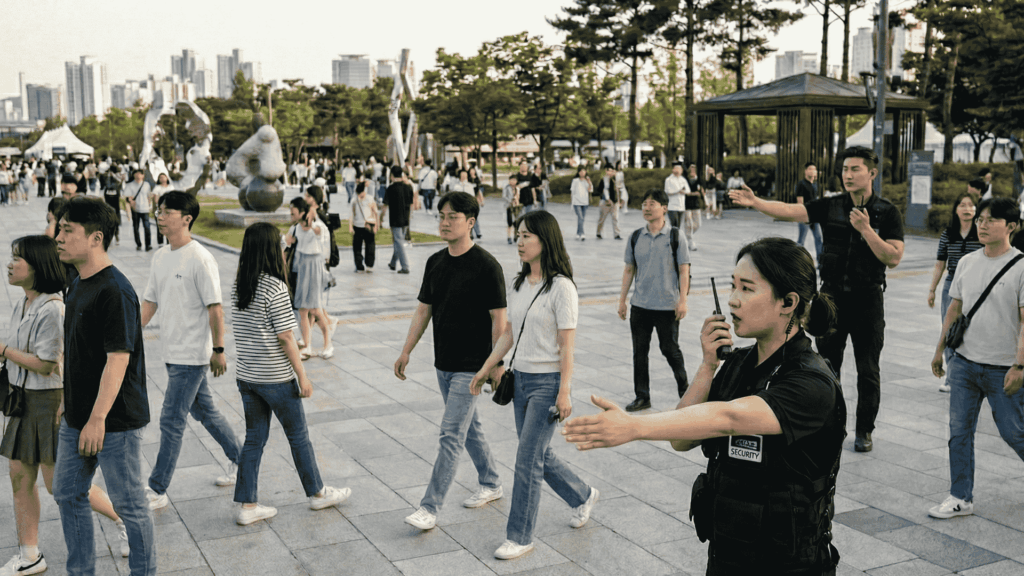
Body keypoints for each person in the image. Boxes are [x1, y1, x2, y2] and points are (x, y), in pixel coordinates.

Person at [563, 237, 846, 576]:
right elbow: (682, 440)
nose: (732, 300)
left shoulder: (812, 384)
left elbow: (728, 419)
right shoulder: (738, 364)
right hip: (729, 554)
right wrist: (708, 365)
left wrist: (635, 427)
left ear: (788, 301)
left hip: (789, 564)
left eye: (746, 288)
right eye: (732, 286)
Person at [730, 146, 905, 453]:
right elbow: (791, 211)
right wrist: (756, 202)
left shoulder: (887, 212)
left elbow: (893, 257)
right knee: (825, 367)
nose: (848, 175)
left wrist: (865, 229)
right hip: (832, 299)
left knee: (868, 370)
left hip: (868, 301)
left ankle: (864, 430)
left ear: (872, 173)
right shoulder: (832, 205)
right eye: (845, 170)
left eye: (855, 170)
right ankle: (828, 424)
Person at [469, 210, 598, 560]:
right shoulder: (519, 284)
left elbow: (567, 345)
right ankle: (582, 494)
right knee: (539, 453)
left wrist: (564, 390)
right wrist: (485, 369)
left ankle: (520, 535)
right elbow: (509, 333)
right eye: (519, 235)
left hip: (548, 384)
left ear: (545, 240)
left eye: (527, 235)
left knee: (526, 460)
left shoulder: (562, 288)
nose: (520, 241)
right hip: (520, 382)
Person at [1, 235, 132, 576]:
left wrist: (3, 351)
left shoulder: (54, 308)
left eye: (18, 259)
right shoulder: (23, 303)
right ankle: (30, 554)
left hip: (48, 402)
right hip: (22, 402)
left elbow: (47, 363)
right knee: (19, 477)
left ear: (38, 267)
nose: (9, 264)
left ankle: (124, 520)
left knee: (58, 484)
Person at [52, 197, 155, 576]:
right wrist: (69, 400)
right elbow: (79, 354)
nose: (58, 237)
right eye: (59, 228)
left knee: (130, 507)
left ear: (96, 238)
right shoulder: (78, 282)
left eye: (67, 231)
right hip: (78, 415)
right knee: (66, 492)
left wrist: (97, 419)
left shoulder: (115, 290)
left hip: (114, 422)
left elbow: (118, 359)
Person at [394, 192, 506, 531]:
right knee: (468, 427)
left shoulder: (487, 265)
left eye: (452, 216)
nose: (444, 221)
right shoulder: (435, 262)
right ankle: (491, 481)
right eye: (441, 215)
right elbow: (423, 309)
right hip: (443, 362)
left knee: (451, 434)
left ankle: (429, 508)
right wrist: (406, 350)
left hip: (473, 366)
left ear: (470, 222)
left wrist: (495, 365)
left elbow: (499, 320)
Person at [230, 223, 351, 526]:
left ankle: (247, 505)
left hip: (248, 376)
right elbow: (286, 338)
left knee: (254, 439)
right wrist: (303, 377)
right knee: (298, 436)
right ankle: (318, 493)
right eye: (281, 244)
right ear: (273, 249)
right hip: (276, 378)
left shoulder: (239, 285)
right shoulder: (274, 287)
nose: (285, 247)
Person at [139, 192, 241, 512]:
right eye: (159, 210)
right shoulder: (160, 256)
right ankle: (243, 462)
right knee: (205, 413)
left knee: (171, 419)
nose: (160, 215)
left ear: (186, 218)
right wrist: (128, 336)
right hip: (172, 351)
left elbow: (215, 308)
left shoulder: (200, 257)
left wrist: (219, 349)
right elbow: (150, 302)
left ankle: (157, 488)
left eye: (167, 211)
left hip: (192, 355)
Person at [929, 197, 1024, 520]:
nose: (982, 224)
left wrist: (1019, 365)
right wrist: (940, 349)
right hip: (965, 363)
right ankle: (960, 496)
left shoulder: (1022, 266)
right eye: (980, 219)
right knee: (959, 432)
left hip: (1003, 369)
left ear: (1011, 226)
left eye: (990, 220)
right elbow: (954, 310)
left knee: (1015, 433)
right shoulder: (968, 262)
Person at [618, 189, 690, 412]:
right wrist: (622, 300)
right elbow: (629, 269)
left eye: (652, 204)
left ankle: (686, 392)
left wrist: (683, 301)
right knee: (640, 352)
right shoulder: (636, 236)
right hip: (640, 305)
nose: (647, 208)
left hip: (667, 306)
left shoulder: (675, 236)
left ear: (665, 208)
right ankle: (642, 396)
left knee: (670, 349)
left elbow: (684, 270)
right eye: (644, 204)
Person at [927, 192, 983, 393]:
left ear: (976, 210)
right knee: (949, 329)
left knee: (975, 329)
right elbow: (940, 263)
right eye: (962, 205)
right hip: (952, 284)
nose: (967, 209)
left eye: (971, 205)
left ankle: (974, 376)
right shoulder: (948, 234)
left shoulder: (981, 233)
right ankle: (952, 377)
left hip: (978, 286)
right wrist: (932, 290)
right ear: (956, 210)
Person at [283, 196, 334, 359]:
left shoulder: (317, 226)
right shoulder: (296, 228)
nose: (291, 217)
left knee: (315, 309)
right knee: (303, 310)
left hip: (314, 267)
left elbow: (319, 233)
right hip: (302, 267)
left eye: (293, 213)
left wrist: (311, 223)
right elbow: (286, 243)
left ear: (302, 212)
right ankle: (307, 345)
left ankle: (328, 344)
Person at [381, 165, 414, 274]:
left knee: (398, 242)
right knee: (398, 241)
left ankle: (405, 266)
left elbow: (385, 206)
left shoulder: (390, 188)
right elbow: (411, 204)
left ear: (392, 175)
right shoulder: (408, 187)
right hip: (406, 219)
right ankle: (393, 263)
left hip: (395, 219)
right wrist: (410, 217)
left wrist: (381, 218)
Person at [795, 162, 823, 261]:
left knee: (819, 238)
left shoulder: (815, 185)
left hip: (814, 216)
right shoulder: (801, 184)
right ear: (805, 171)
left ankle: (820, 262)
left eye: (814, 169)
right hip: (805, 216)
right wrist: (803, 216)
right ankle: (796, 261)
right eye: (810, 169)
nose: (812, 171)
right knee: (801, 241)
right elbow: (800, 202)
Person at [350, 181, 378, 273]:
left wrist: (376, 226)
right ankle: (359, 266)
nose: (359, 195)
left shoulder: (370, 199)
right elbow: (351, 214)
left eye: (360, 194)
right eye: (358, 194)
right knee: (357, 247)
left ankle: (369, 265)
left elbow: (376, 212)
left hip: (368, 225)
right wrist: (350, 226)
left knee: (370, 245)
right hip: (357, 226)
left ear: (364, 191)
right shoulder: (354, 200)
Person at [123, 169, 153, 252]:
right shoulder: (129, 185)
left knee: (147, 227)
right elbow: (127, 197)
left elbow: (149, 195)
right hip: (135, 209)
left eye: (140, 174)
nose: (138, 175)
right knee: (136, 227)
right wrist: (130, 201)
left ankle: (148, 245)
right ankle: (139, 244)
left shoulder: (146, 184)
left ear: (143, 175)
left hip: (145, 208)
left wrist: (150, 205)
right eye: (136, 173)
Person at [449, 170, 483, 239]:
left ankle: (474, 233)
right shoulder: (456, 186)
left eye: (465, 175)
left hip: (468, 205)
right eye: (462, 175)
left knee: (471, 219)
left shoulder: (469, 186)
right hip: (460, 206)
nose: (464, 177)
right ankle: (468, 233)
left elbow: (472, 196)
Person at [594, 165, 622, 240]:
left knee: (615, 218)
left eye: (612, 170)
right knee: (602, 218)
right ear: (606, 171)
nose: (610, 172)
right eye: (609, 170)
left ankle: (617, 234)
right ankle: (598, 233)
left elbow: (618, 190)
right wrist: (607, 199)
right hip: (605, 202)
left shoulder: (616, 179)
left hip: (614, 202)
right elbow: (600, 190)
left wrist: (619, 201)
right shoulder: (603, 180)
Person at [663, 162, 688, 232]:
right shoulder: (668, 180)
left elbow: (688, 190)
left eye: (679, 169)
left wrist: (683, 191)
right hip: (672, 206)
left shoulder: (683, 180)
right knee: (674, 224)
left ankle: (676, 239)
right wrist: (677, 192)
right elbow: (667, 192)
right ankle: (673, 239)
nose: (678, 171)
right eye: (676, 169)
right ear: (673, 170)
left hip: (681, 206)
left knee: (678, 225)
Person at [150, 173, 174, 247]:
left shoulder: (171, 187)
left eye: (164, 177)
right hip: (160, 210)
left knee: (169, 225)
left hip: (169, 209)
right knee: (160, 225)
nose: (162, 179)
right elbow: (156, 199)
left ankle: (168, 241)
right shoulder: (157, 188)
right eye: (160, 177)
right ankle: (160, 243)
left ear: (167, 178)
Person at [102, 165, 123, 246]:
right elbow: (108, 185)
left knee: (116, 219)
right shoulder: (107, 177)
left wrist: (113, 176)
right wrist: (108, 177)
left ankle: (117, 235)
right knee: (109, 219)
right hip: (108, 201)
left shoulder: (118, 176)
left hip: (115, 202)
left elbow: (118, 183)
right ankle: (110, 237)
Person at [570, 167, 592, 241]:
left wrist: (589, 182)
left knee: (581, 219)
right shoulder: (575, 181)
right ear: (578, 172)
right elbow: (572, 192)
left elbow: (590, 190)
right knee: (580, 218)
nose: (582, 173)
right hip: (577, 202)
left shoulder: (587, 181)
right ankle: (582, 233)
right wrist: (572, 202)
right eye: (581, 171)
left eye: (584, 171)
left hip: (585, 202)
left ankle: (578, 233)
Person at [685, 164, 703, 248]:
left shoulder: (699, 180)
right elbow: (685, 192)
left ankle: (687, 236)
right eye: (690, 168)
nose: (692, 170)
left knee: (698, 224)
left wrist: (691, 193)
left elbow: (700, 193)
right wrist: (693, 193)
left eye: (694, 169)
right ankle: (690, 241)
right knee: (689, 223)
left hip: (696, 204)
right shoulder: (685, 180)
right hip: (686, 204)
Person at [502, 174, 522, 245]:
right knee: (509, 222)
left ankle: (515, 236)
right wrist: (510, 200)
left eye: (514, 180)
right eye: (511, 180)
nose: (513, 181)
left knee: (516, 222)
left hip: (516, 207)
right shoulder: (507, 188)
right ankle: (509, 237)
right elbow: (504, 196)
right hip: (509, 206)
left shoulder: (518, 188)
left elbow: (519, 196)